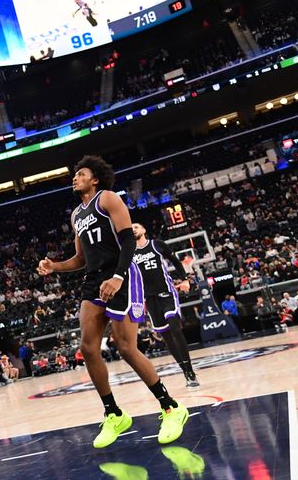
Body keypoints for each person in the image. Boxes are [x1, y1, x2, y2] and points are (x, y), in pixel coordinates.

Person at [37, 156, 188, 449]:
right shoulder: (76, 215)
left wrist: (118, 276)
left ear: (95, 179)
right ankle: (113, 413)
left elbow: (128, 240)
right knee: (88, 347)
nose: (74, 178)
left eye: (80, 174)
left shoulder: (107, 199)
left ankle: (171, 407)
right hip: (94, 279)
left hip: (122, 274)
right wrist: (55, 266)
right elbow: (80, 260)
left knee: (126, 348)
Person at [131, 223, 199, 387]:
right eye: (131, 227)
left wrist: (184, 279)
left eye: (136, 227)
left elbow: (175, 261)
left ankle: (190, 370)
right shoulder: (129, 253)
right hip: (149, 299)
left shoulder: (157, 245)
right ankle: (184, 370)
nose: (133, 229)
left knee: (175, 328)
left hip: (167, 293)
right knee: (167, 337)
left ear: (144, 229)